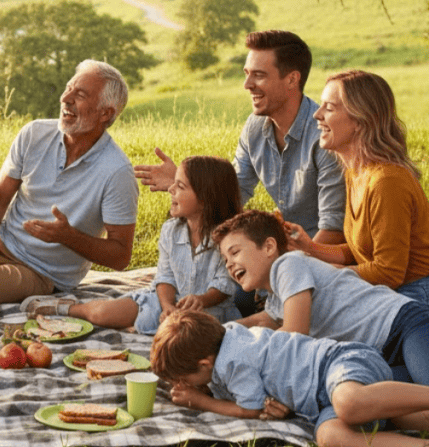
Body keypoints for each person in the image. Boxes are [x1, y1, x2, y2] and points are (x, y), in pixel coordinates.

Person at [134, 30, 346, 315]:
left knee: (244, 298)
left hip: (321, 255)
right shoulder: (255, 128)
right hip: (279, 248)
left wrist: (278, 269)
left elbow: (332, 229)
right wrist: (185, 183)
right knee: (239, 294)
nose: (247, 84)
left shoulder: (324, 136)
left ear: (292, 80)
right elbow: (231, 199)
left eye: (258, 75)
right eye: (247, 73)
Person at [150, 310, 429, 447]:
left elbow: (249, 410)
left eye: (186, 378)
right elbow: (265, 396)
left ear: (205, 361)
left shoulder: (234, 360)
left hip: (335, 364)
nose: (188, 386)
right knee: (330, 437)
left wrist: (201, 401)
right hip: (319, 400)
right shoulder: (222, 343)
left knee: (350, 404)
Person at [0, 59, 139, 305]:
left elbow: (121, 256)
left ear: (106, 113)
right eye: (68, 88)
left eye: (79, 94)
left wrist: (68, 236)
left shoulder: (117, 172)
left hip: (37, 272)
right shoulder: (34, 133)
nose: (65, 98)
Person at [212, 210, 429, 389]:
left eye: (234, 252)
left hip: (408, 327)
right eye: (225, 260)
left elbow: (293, 335)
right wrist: (216, 333)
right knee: (411, 400)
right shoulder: (275, 298)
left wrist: (243, 355)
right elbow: (263, 320)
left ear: (269, 247)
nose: (230, 264)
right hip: (381, 354)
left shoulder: (288, 265)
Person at [285, 70, 429, 326]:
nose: (317, 115)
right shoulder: (356, 173)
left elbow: (388, 271)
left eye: (329, 108)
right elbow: (359, 252)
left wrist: (319, 274)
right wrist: (310, 249)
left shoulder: (387, 181)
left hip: (421, 297)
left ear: (360, 120)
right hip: (388, 295)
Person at [21, 155, 240, 333]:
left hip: (209, 313)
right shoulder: (171, 230)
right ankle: (66, 308)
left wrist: (201, 300)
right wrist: (167, 307)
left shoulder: (227, 238)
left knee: (185, 338)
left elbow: (225, 284)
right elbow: (164, 276)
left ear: (204, 199)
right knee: (102, 315)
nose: (170, 189)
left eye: (180, 186)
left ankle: (141, 328)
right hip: (166, 303)